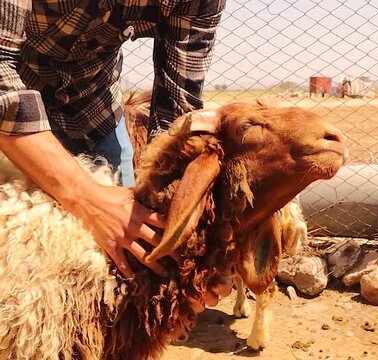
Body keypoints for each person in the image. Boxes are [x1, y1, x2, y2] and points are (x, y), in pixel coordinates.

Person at [0, 0, 231, 301]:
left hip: (95, 110)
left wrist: (192, 254)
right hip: (14, 107)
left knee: (122, 265)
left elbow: (177, 105)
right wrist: (87, 197)